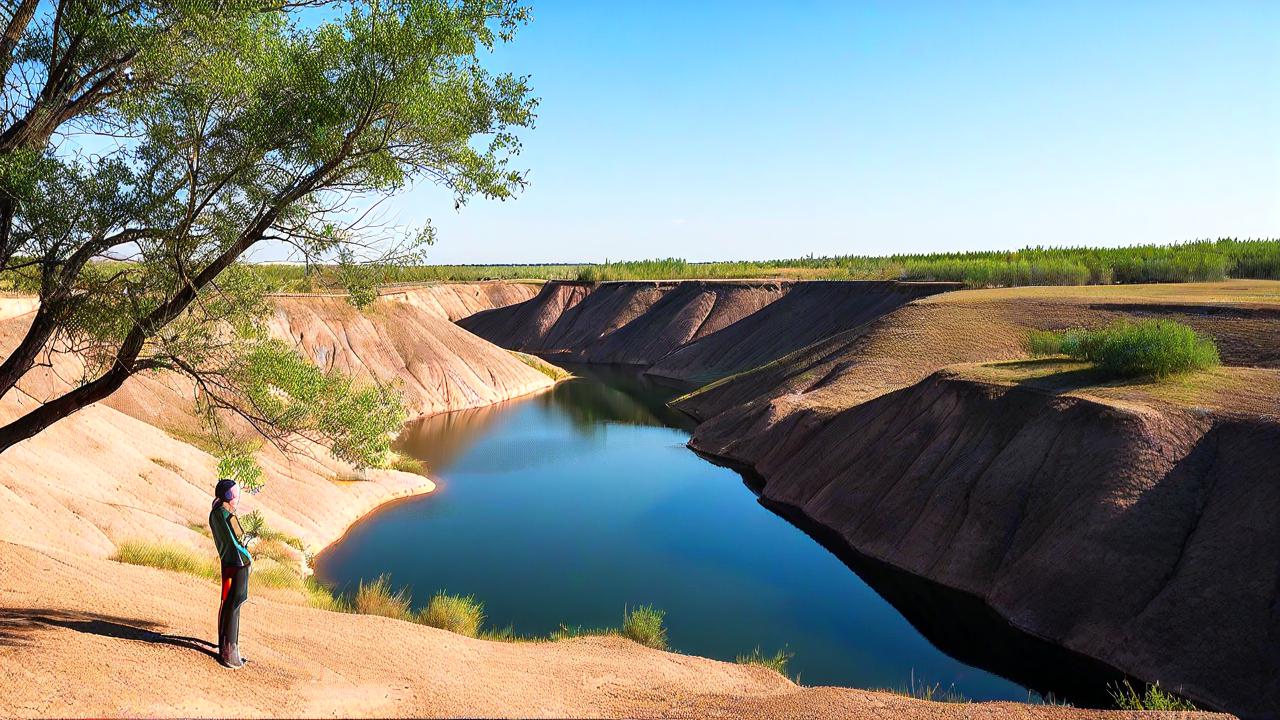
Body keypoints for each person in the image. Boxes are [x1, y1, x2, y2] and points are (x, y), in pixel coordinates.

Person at [209, 478, 252, 668]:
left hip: (227, 563)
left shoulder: (215, 513)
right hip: (239, 565)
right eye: (235, 495)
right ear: (229, 496)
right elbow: (239, 543)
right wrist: (248, 555)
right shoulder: (228, 516)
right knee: (235, 605)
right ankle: (230, 654)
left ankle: (223, 645)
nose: (237, 498)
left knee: (226, 603)